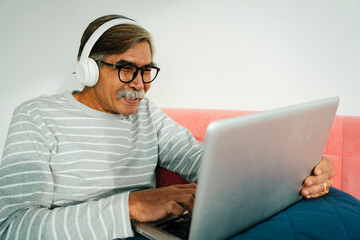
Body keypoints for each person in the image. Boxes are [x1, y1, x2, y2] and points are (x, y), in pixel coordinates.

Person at [0, 14, 335, 239]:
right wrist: (131, 205)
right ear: (89, 69)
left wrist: (295, 169)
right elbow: (13, 226)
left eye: (148, 71)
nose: (141, 84)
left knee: (332, 209)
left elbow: (201, 161)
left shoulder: (145, 112)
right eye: (127, 68)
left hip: (153, 231)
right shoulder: (36, 116)